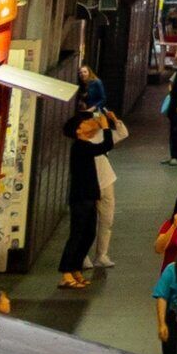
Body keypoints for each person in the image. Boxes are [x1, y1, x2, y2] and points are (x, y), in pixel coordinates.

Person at [58, 88, 125, 287]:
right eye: (86, 122)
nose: (90, 123)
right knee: (77, 234)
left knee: (88, 234)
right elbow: (104, 146)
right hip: (81, 197)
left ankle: (76, 268)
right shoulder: (80, 146)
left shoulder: (84, 145)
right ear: (79, 130)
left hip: (88, 195)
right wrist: (105, 127)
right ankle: (66, 273)